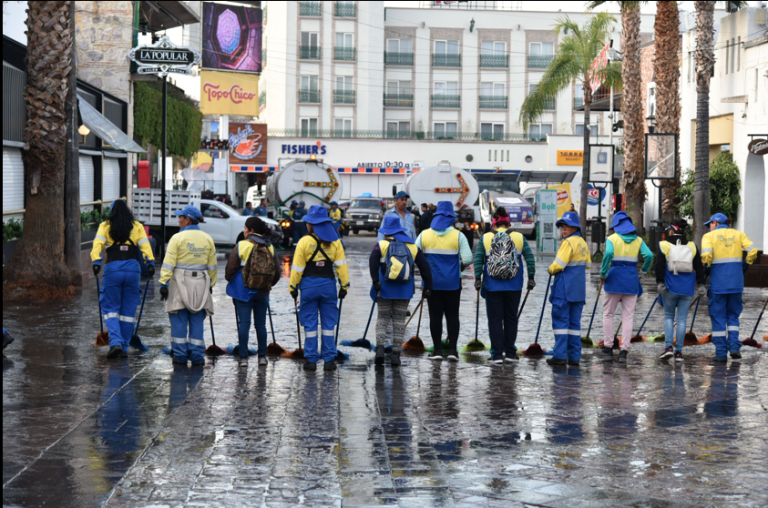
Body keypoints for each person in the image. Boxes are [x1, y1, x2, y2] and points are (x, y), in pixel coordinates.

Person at [91, 199, 155, 359]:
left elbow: (97, 243)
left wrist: (96, 261)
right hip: (133, 269)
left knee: (111, 308)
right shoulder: (137, 226)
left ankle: (116, 343)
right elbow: (145, 246)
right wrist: (150, 262)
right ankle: (125, 347)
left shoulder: (105, 226)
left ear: (112, 212)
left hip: (113, 269)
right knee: (128, 311)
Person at [289, 206, 350, 371]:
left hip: (308, 287)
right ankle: (329, 360)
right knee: (329, 324)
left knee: (310, 323)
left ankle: (311, 360)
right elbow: (341, 267)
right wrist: (344, 286)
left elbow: (297, 268)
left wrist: (293, 287)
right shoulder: (335, 242)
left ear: (311, 224)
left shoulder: (304, 242)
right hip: (328, 287)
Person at [473, 207, 536, 364]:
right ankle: (510, 353)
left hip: (493, 286)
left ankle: (496, 355)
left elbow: (478, 259)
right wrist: (531, 277)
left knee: (494, 320)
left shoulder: (486, 238)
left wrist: (477, 279)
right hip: (514, 286)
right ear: (508, 223)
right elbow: (530, 258)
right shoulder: (519, 237)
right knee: (511, 319)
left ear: (494, 223)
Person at [369, 216, 433, 366]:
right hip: (404, 290)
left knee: (383, 318)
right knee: (399, 320)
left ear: (387, 232)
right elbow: (425, 267)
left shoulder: (381, 245)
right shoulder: (412, 247)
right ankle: (396, 355)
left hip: (384, 289)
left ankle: (379, 350)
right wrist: (428, 286)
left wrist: (375, 281)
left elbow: (372, 262)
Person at [159, 206, 217, 366]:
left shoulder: (177, 238)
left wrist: (164, 283)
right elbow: (212, 266)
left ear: (188, 219)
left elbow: (169, 262)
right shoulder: (207, 239)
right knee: (197, 320)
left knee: (178, 319)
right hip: (200, 285)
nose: (179, 220)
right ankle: (197, 356)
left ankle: (180, 356)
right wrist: (211, 284)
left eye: (181, 217)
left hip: (179, 285)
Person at [416, 201, 473, 361]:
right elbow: (468, 259)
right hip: (453, 284)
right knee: (452, 316)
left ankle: (438, 352)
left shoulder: (424, 235)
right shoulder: (458, 235)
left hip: (431, 285)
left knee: (435, 317)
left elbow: (414, 254)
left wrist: (424, 269)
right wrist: (458, 268)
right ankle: (453, 351)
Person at [701, 213, 758, 362]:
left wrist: (706, 268)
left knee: (718, 317)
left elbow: (706, 255)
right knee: (733, 316)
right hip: (736, 283)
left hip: (718, 284)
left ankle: (720, 353)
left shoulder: (709, 237)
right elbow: (753, 250)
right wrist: (746, 264)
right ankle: (733, 347)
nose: (709, 228)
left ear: (715, 223)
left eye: (710, 225)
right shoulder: (739, 234)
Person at [225, 216, 281, 368]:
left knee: (244, 324)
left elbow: (230, 268)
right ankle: (262, 357)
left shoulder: (242, 245)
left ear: (252, 231)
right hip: (263, 293)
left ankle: (243, 358)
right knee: (261, 325)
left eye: (245, 228)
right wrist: (268, 285)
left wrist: (229, 279)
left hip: (243, 292)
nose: (244, 231)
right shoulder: (270, 247)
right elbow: (278, 271)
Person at [600, 211, 653, 363]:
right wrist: (642, 272)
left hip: (614, 278)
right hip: (631, 279)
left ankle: (608, 348)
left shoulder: (612, 239)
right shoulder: (638, 240)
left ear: (616, 226)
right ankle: (624, 351)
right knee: (628, 316)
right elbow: (649, 255)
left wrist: (603, 272)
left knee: (608, 314)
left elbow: (609, 253)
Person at [656, 219, 706, 361]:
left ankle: (668, 348)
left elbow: (659, 266)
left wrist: (659, 283)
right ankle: (679, 352)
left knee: (668, 317)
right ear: (684, 232)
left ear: (671, 231)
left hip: (670, 288)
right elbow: (699, 266)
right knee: (682, 320)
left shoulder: (664, 245)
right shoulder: (692, 246)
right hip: (687, 289)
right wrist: (701, 284)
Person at [546, 211, 591, 367]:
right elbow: (589, 266)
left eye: (566, 227)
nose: (563, 230)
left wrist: (550, 269)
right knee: (574, 325)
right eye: (562, 227)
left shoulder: (568, 243)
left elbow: (558, 265)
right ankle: (574, 357)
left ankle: (559, 356)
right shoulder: (583, 243)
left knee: (561, 322)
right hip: (578, 290)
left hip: (564, 290)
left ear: (574, 227)